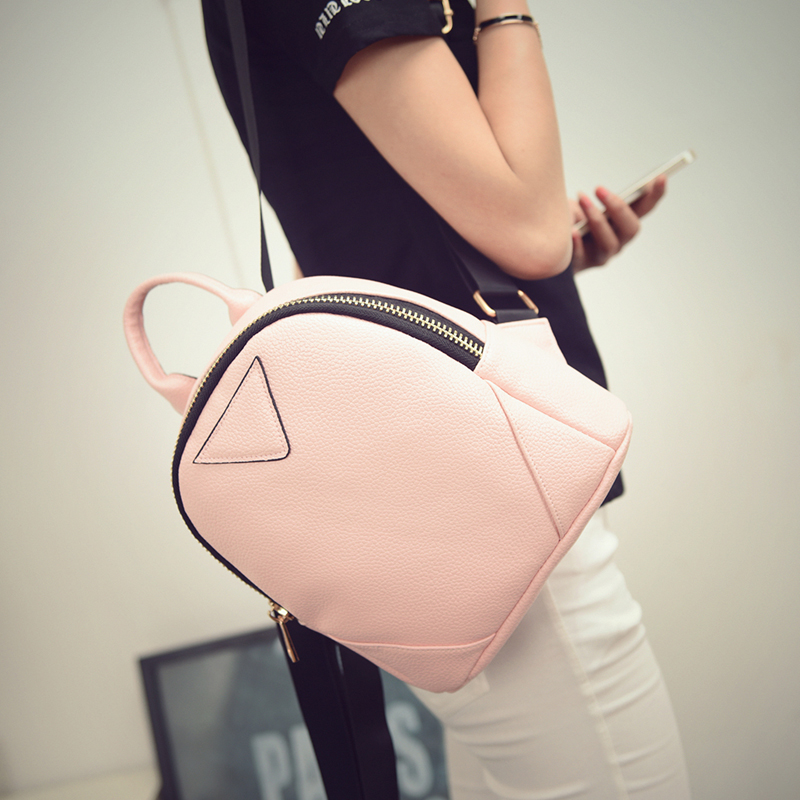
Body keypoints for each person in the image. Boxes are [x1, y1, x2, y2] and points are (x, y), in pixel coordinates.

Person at [201, 0, 692, 797]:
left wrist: (535, 255)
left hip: (455, 480)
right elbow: (528, 231)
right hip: (501, 491)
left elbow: (355, 226)